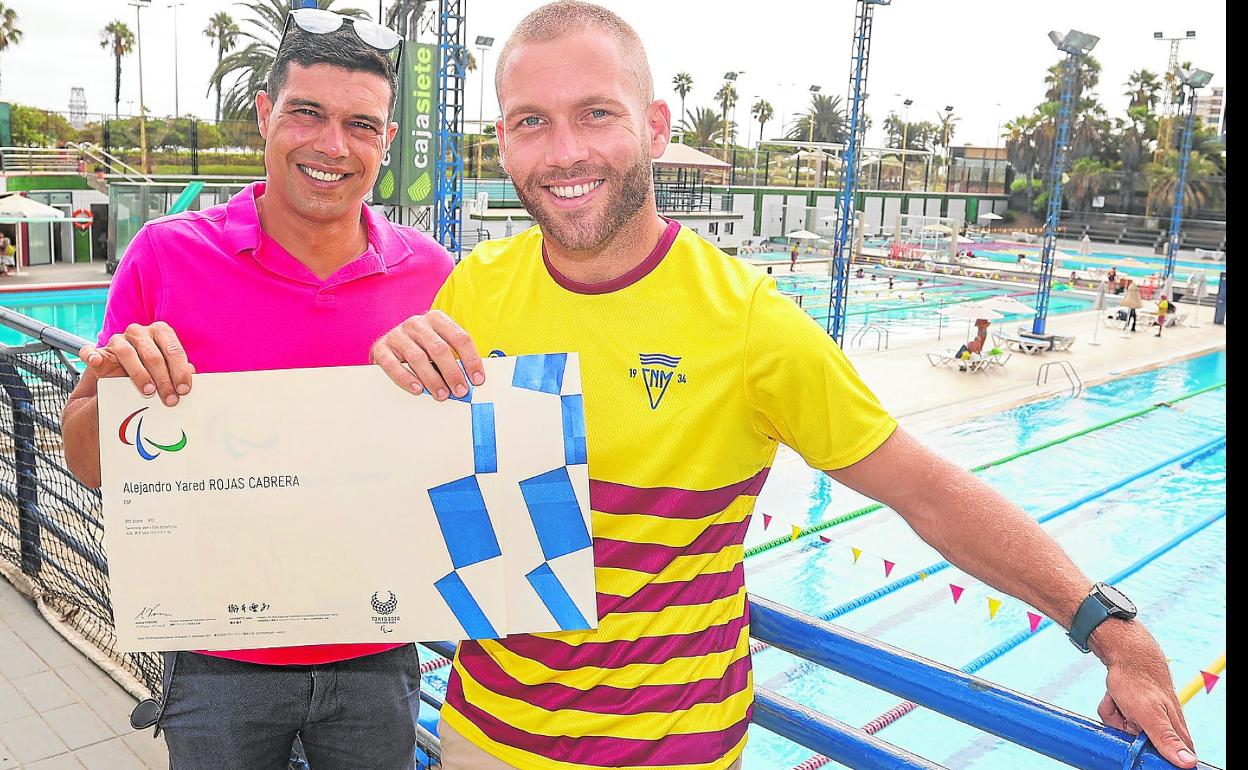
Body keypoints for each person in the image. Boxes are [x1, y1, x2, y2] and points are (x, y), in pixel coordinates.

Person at [373, 4, 1196, 768]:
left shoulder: (747, 322)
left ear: (653, 128)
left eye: (596, 113)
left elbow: (927, 491)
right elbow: (424, 495)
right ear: (503, 142)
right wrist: (398, 377)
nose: (563, 152)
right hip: (481, 735)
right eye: (530, 122)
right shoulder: (475, 287)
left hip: (673, 755)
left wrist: (1108, 628)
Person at [61, 11, 475, 768]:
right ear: (264, 114)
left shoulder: (432, 275)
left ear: (386, 142)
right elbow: (88, 462)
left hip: (377, 650)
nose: (331, 145)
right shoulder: (167, 256)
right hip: (219, 662)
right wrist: (108, 377)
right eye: (307, 113)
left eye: (360, 125)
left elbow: (468, 458)